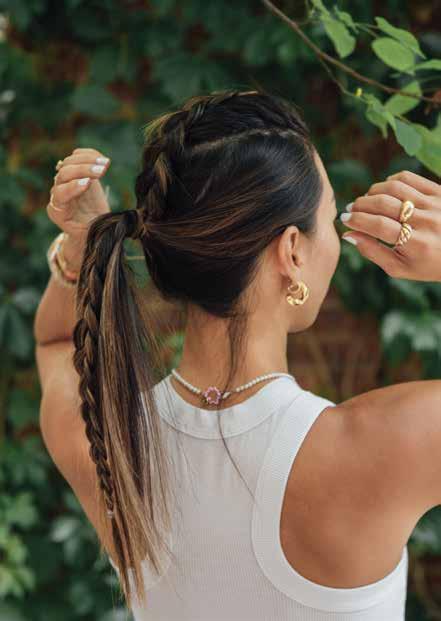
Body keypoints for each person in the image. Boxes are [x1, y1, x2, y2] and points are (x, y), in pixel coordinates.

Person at [33, 88, 441, 621]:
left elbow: (56, 344)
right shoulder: (385, 446)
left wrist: (80, 245)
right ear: (291, 251)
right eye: (329, 217)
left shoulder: (111, 445)